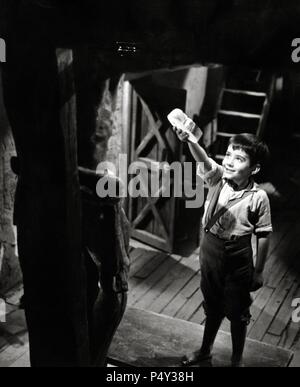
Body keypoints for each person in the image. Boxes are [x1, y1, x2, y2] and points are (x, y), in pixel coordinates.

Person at [173, 127, 272, 367]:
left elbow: (264, 234)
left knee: (237, 313)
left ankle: (236, 359)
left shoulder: (258, 197)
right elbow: (203, 158)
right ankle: (205, 350)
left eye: (239, 159)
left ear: (254, 168)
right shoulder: (217, 177)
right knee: (212, 306)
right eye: (228, 155)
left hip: (237, 259)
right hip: (210, 253)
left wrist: (258, 271)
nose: (229, 162)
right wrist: (190, 141)